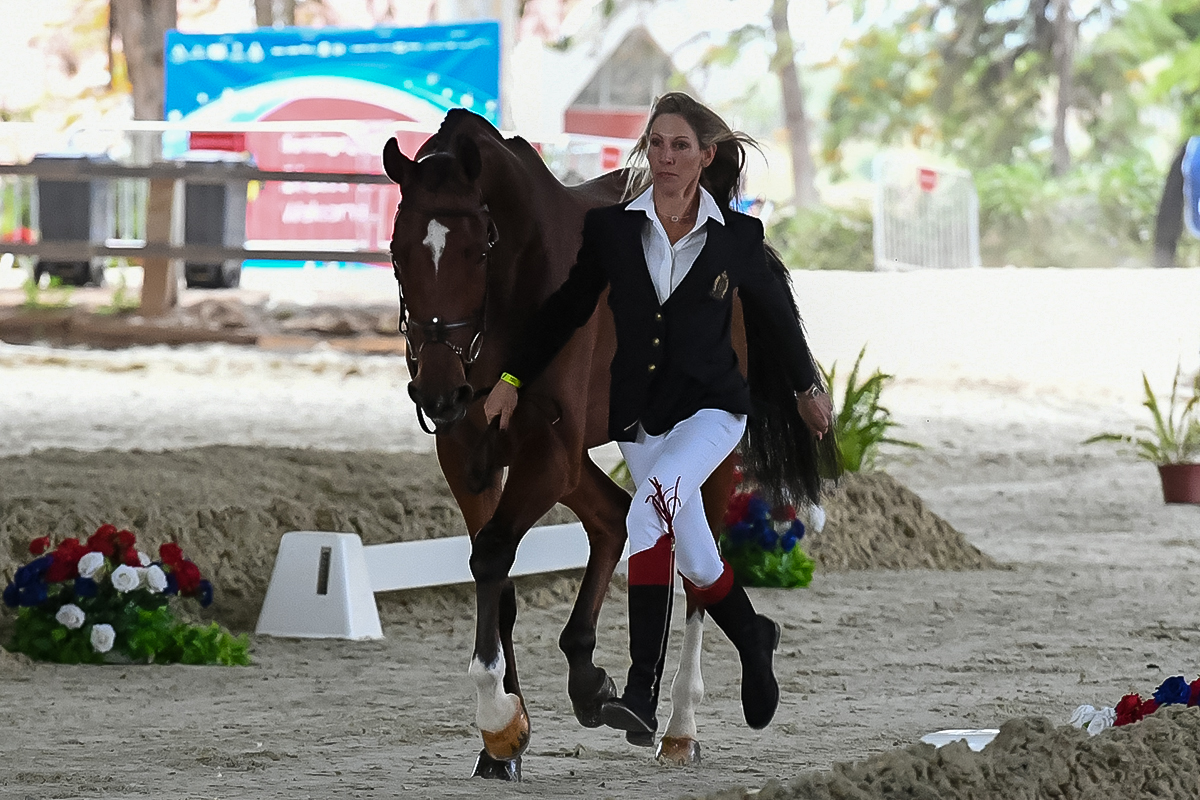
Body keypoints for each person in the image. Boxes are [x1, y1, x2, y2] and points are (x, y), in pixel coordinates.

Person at [484, 92, 835, 746]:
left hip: (711, 409)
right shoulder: (615, 231)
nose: (666, 157)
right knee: (694, 548)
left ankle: (642, 688)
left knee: (651, 509)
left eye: (680, 146)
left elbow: (778, 321)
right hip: (640, 417)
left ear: (705, 156)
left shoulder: (737, 239)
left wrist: (804, 387)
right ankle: (753, 636)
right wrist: (509, 379)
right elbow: (563, 312)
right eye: (656, 144)